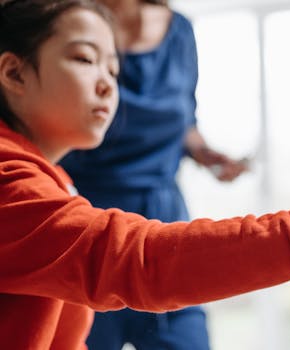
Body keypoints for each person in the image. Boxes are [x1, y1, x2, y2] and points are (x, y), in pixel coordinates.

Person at [0, 0, 290, 349]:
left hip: (151, 212)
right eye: (83, 59)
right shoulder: (12, 180)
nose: (108, 84)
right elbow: (142, 260)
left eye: (114, 68)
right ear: (13, 72)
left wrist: (209, 156)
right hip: (109, 220)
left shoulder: (49, 177)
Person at [58, 0, 246, 348]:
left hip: (165, 221)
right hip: (87, 222)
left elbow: (186, 118)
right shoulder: (73, 22)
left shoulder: (180, 32)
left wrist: (204, 153)